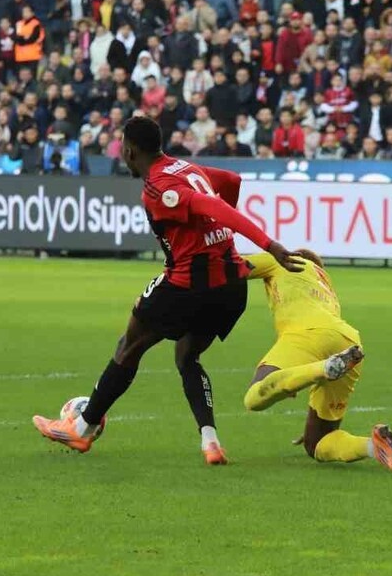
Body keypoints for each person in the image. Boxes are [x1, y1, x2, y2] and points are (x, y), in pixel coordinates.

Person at [33, 117, 303, 464]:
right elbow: (231, 182)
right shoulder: (183, 166)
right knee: (186, 356)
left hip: (189, 283)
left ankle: (82, 428)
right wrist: (215, 236)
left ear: (130, 151)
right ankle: (211, 442)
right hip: (231, 287)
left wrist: (270, 245)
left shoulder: (159, 187)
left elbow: (216, 205)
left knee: (128, 345)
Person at [240, 249, 392, 473]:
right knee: (317, 442)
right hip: (347, 340)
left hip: (306, 334)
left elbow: (227, 267)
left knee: (253, 398)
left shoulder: (282, 259)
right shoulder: (325, 284)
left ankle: (324, 368)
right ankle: (374, 446)